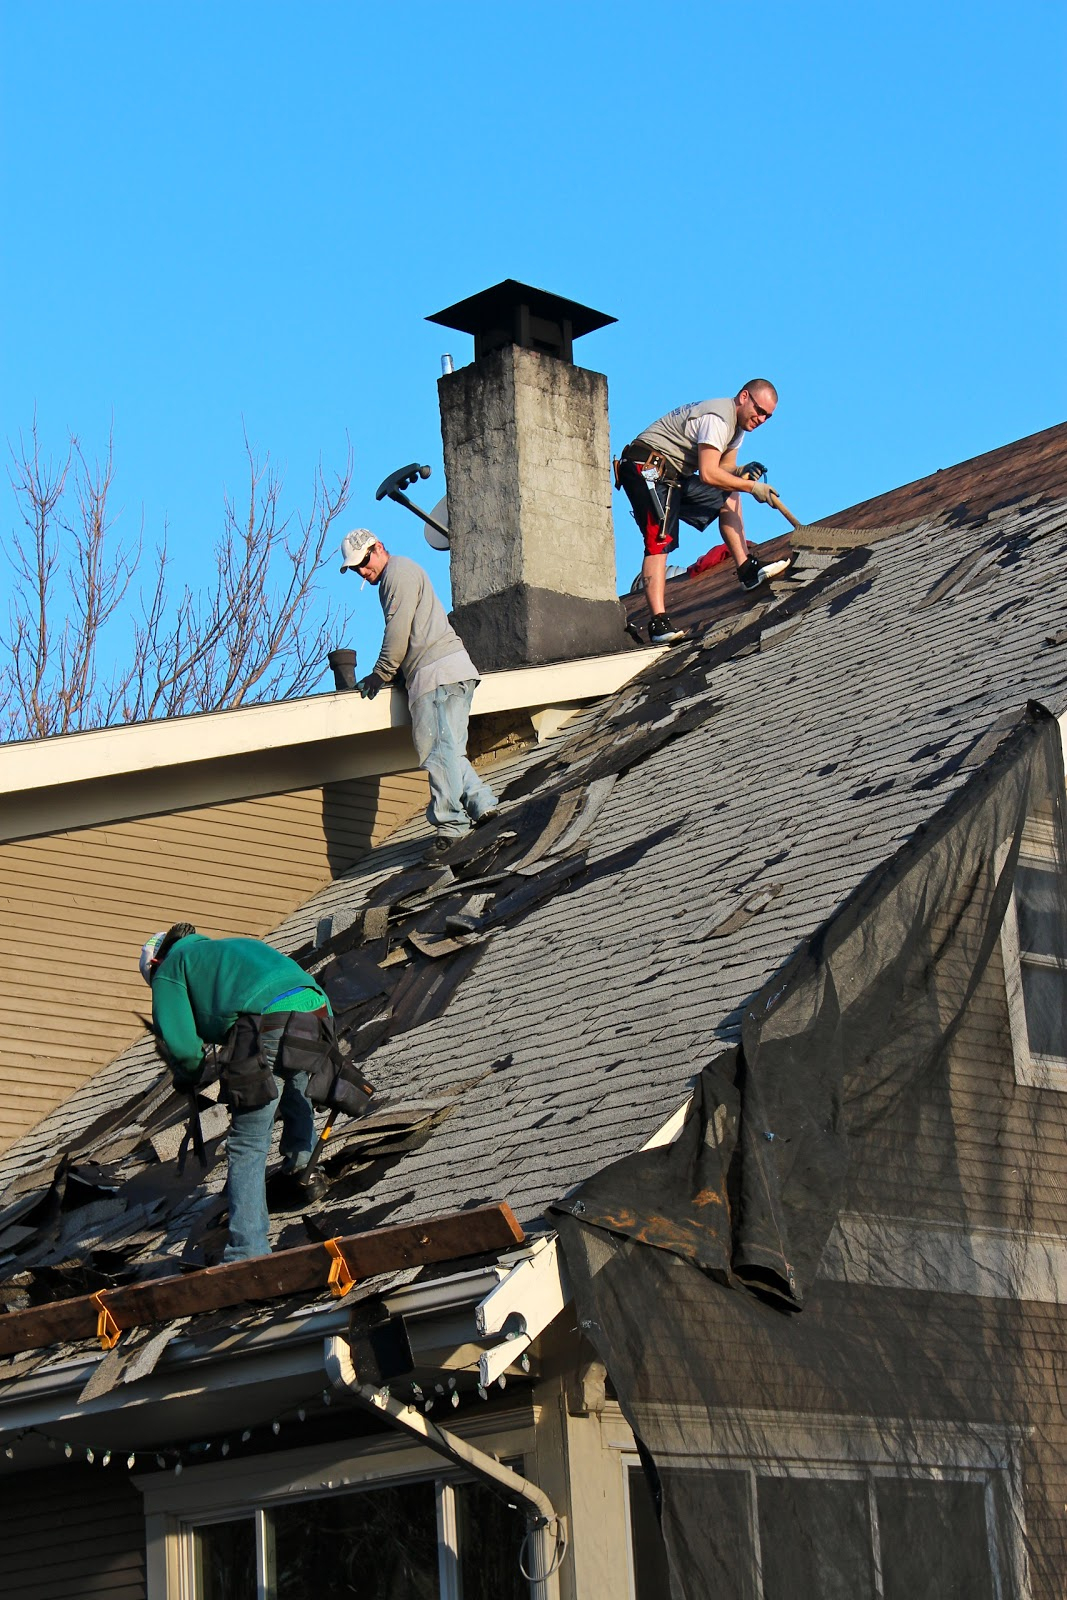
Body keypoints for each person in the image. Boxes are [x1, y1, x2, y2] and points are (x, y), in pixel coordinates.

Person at [139, 925, 333, 1262]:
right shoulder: (231, 948)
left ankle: (247, 1249)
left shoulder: (169, 968)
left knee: (247, 1142)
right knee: (294, 1083)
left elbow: (183, 1047)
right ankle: (304, 1164)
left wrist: (188, 1076)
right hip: (318, 1010)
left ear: (155, 963)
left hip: (268, 1021)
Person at [340, 530, 498, 859]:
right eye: (356, 568)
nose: (363, 571)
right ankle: (483, 805)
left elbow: (397, 630)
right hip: (452, 670)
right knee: (451, 750)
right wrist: (398, 673)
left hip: (435, 676)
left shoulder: (396, 574)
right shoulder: (403, 573)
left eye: (364, 562)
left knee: (436, 753)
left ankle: (450, 826)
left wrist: (382, 672)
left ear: (379, 547)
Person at [617, 381, 793, 643]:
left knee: (728, 494)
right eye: (759, 410)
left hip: (675, 474)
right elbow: (710, 474)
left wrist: (743, 471)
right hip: (647, 467)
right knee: (659, 538)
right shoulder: (718, 418)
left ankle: (746, 571)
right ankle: (658, 624)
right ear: (744, 397)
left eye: (768, 415)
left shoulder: (737, 428)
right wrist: (753, 487)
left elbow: (724, 471)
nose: (762, 419)